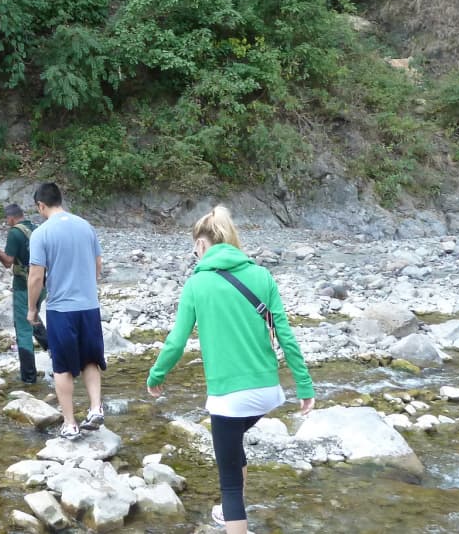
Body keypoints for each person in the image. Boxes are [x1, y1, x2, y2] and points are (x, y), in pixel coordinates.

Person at [146, 205, 316, 533]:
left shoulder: (197, 284)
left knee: (230, 486)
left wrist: (156, 375)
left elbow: (176, 342)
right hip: (268, 393)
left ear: (204, 244)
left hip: (229, 398)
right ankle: (227, 513)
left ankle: (232, 513)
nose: (195, 253)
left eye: (195, 246)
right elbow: (286, 335)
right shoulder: (261, 275)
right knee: (234, 442)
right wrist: (304, 385)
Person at [26, 182, 106, 440]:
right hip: (89, 306)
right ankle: (95, 408)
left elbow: (36, 276)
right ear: (60, 199)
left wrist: (31, 309)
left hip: (61, 308)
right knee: (91, 359)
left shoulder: (41, 233)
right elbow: (98, 264)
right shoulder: (86, 226)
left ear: (41, 205)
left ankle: (70, 423)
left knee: (62, 366)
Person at [0, 203, 49, 384]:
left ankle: (29, 377)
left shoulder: (15, 233)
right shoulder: (37, 228)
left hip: (24, 286)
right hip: (42, 285)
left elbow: (8, 261)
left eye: (6, 220)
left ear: (10, 218)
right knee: (34, 318)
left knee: (23, 329)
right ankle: (57, 353)